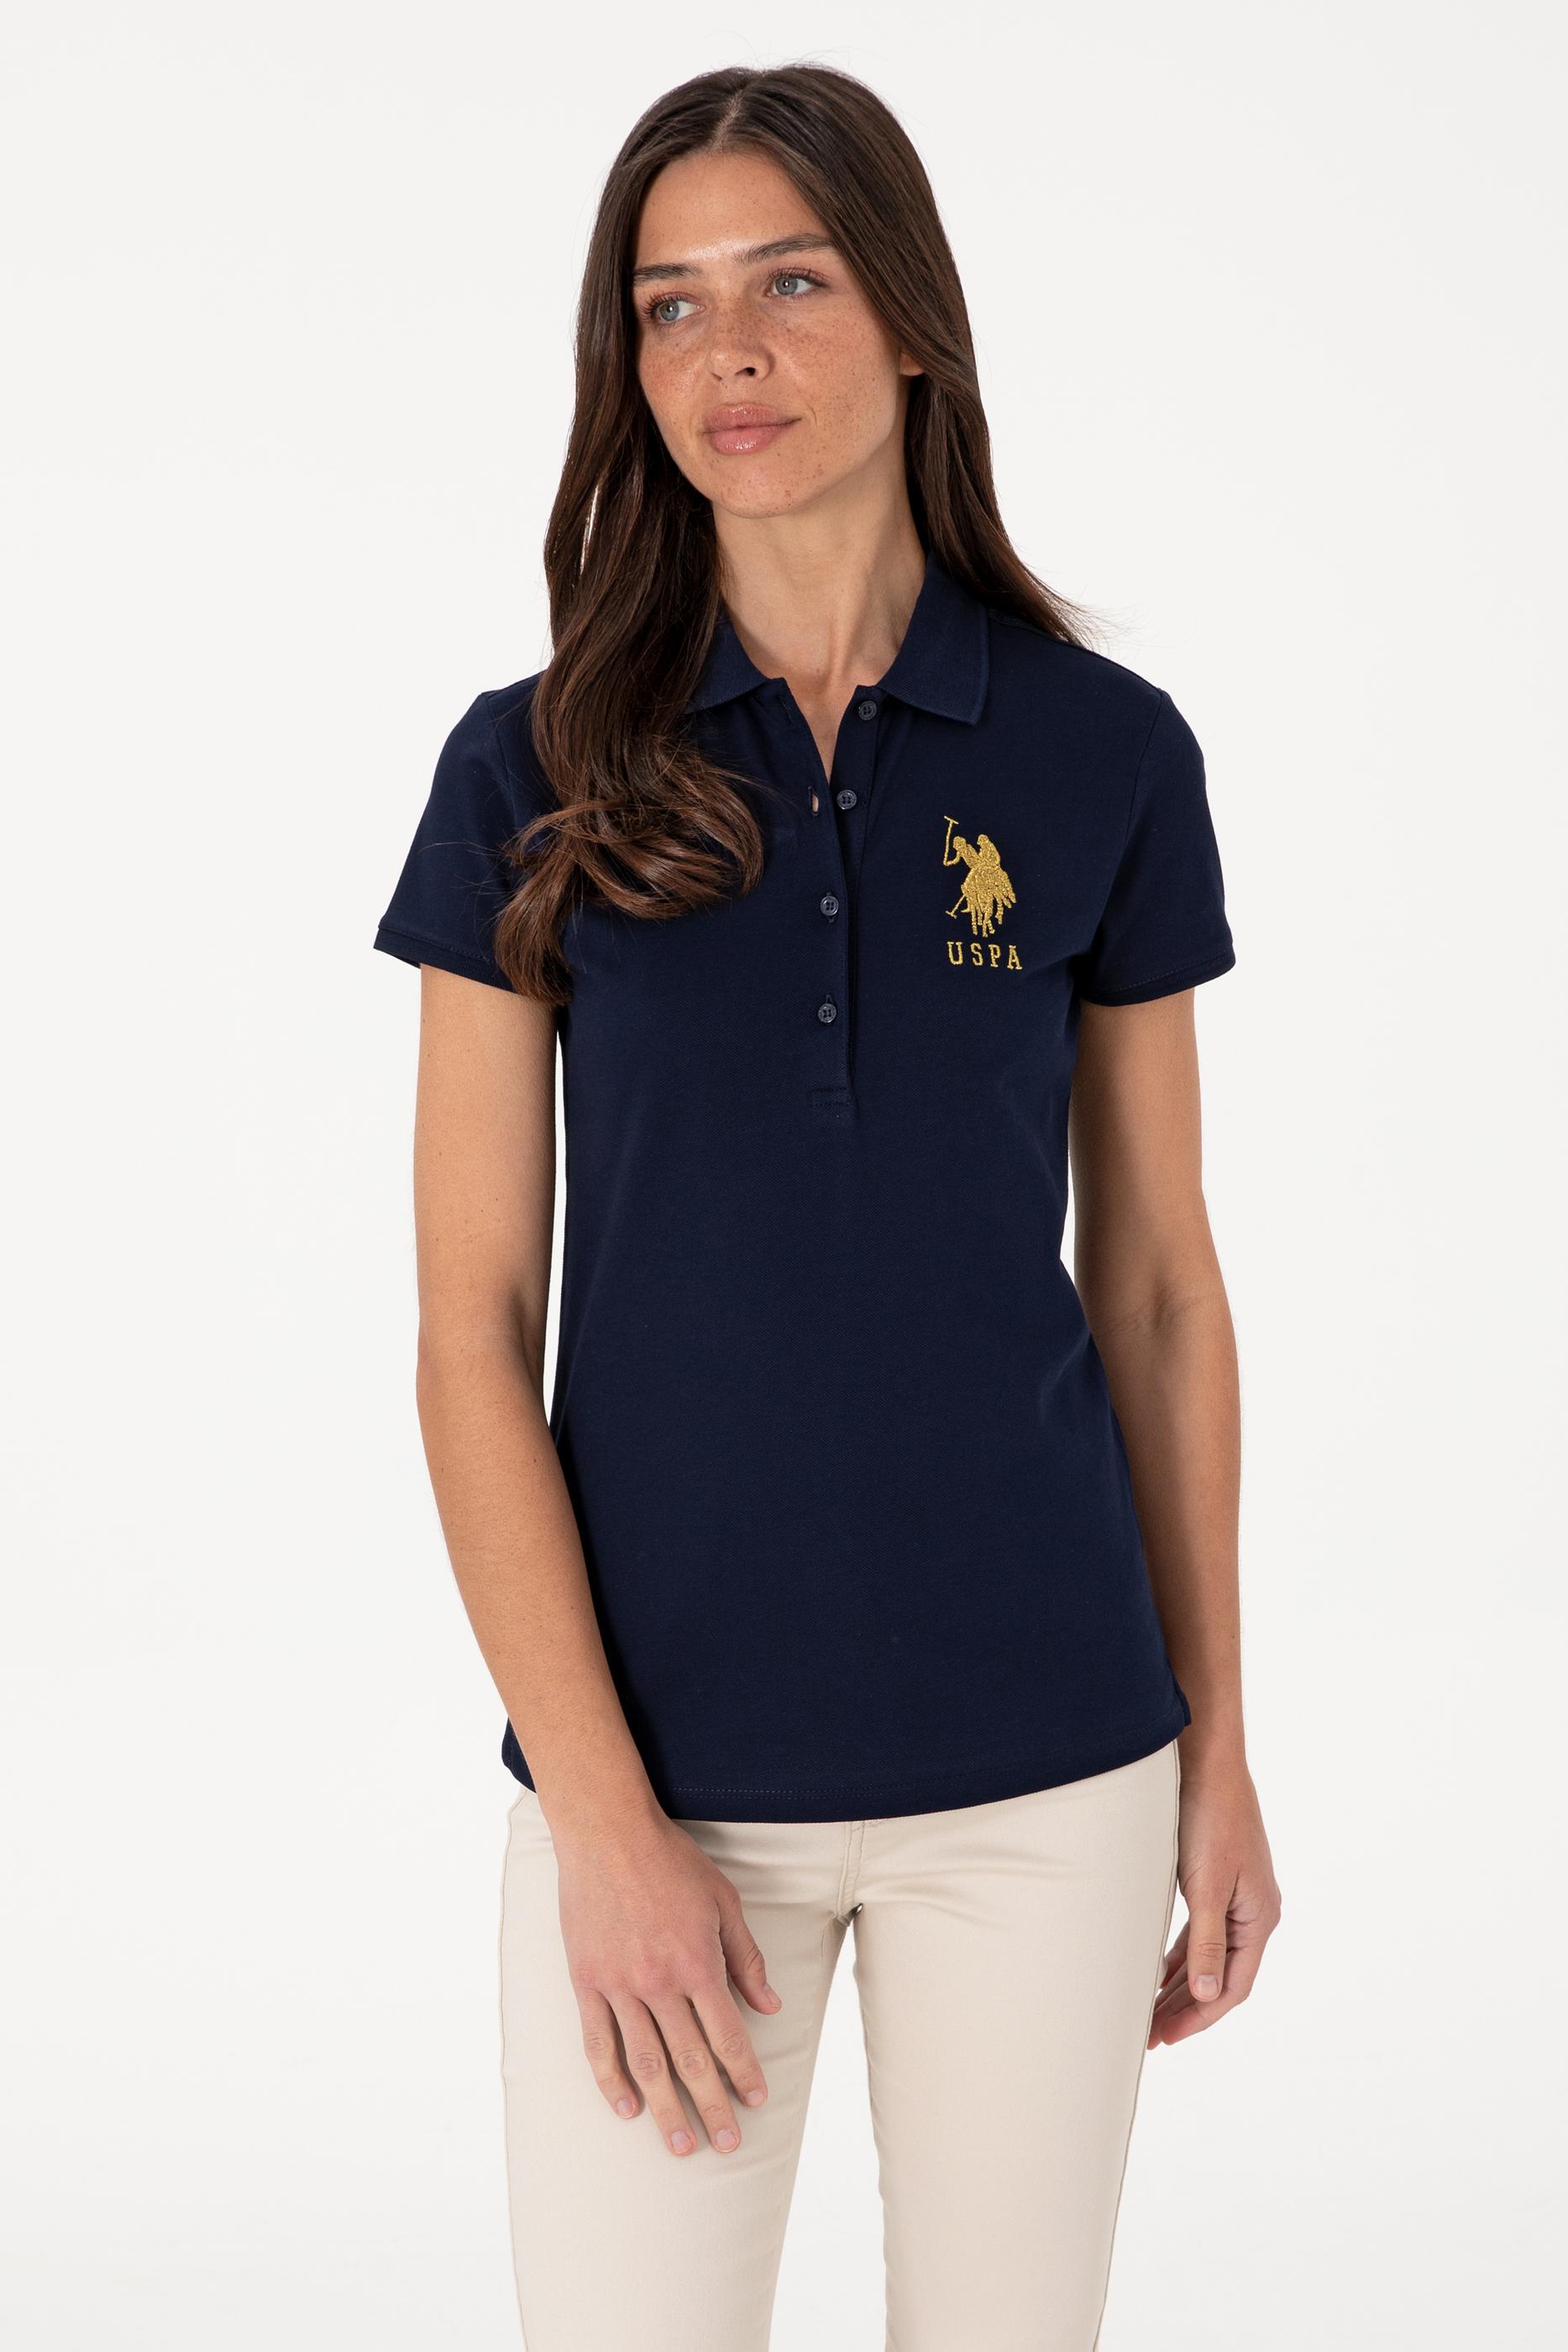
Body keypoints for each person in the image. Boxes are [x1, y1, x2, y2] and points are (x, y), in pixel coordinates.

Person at [372, 60, 1281, 2352]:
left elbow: (1159, 1291)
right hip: (663, 1785)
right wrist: (601, 1823)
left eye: (788, 281)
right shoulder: (529, 766)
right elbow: (469, 1329)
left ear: (910, 319)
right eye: (668, 303)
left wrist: (1218, 1748)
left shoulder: (1102, 752)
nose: (729, 352)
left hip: (1050, 1767)